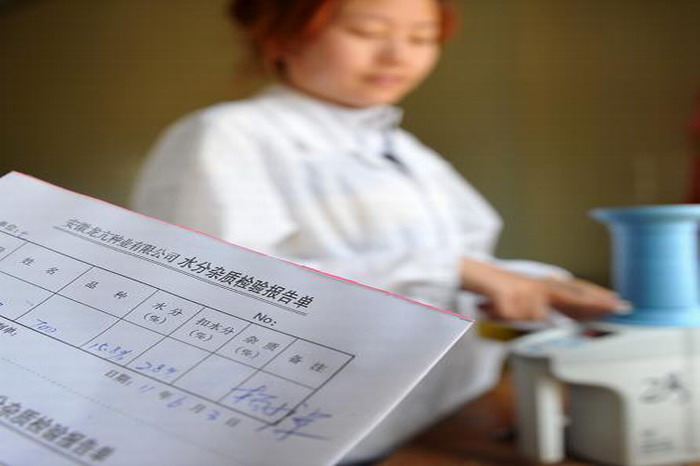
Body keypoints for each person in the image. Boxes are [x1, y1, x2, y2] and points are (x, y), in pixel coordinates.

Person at [132, 0, 630, 463]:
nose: (398, 55)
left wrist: (540, 287)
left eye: (421, 38)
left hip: (414, 421)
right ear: (283, 37)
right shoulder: (228, 136)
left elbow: (453, 269)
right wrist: (454, 271)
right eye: (368, 32)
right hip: (282, 433)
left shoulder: (408, 153)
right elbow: (214, 289)